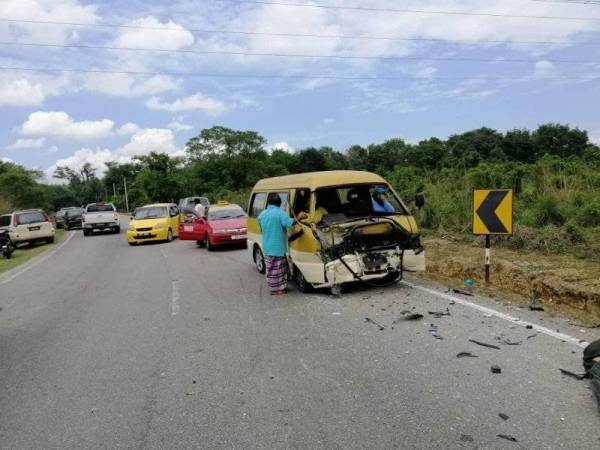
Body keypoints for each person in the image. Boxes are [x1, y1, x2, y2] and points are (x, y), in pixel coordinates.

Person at [258, 193, 305, 295]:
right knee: (278, 270)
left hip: (267, 247)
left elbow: (262, 230)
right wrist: (299, 217)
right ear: (279, 203)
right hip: (278, 248)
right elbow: (289, 223)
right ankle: (277, 290)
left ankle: (273, 288)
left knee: (270, 269)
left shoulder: (261, 215)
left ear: (268, 203)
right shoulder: (280, 213)